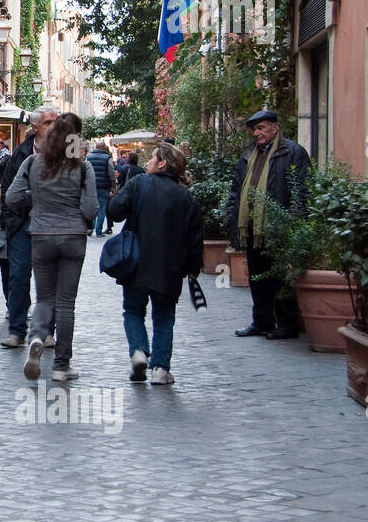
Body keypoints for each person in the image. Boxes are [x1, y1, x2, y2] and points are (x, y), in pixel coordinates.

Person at [5, 112, 97, 381]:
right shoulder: (82, 168)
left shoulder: (33, 162)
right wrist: (76, 211)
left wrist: (37, 199)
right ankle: (61, 366)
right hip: (73, 237)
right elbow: (91, 208)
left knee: (44, 298)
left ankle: (36, 338)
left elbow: (11, 197)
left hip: (41, 235)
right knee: (66, 303)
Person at [107, 142, 204, 384]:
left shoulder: (139, 184)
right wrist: (192, 269)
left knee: (133, 310)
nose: (148, 161)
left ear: (162, 163)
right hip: (169, 269)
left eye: (152, 157)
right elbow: (195, 239)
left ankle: (139, 350)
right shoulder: (186, 197)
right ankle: (160, 368)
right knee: (164, 316)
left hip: (136, 262)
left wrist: (118, 194)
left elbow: (115, 211)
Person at [225, 109, 312, 340]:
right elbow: (236, 189)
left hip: (278, 227)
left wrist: (294, 222)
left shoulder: (292, 152)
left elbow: (302, 190)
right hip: (252, 227)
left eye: (261, 128)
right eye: (254, 129)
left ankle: (286, 325)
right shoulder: (249, 154)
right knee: (257, 276)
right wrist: (232, 216)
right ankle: (262, 322)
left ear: (275, 127)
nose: (257, 133)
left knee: (280, 277)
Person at [0, 106, 59, 348]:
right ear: (35, 128)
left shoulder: (67, 152)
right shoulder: (20, 153)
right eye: (48, 123)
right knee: (18, 278)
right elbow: (7, 190)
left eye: (56, 121)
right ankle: (17, 331)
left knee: (47, 281)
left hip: (52, 226)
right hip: (22, 225)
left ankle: (46, 331)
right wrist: (7, 222)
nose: (53, 126)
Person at [86, 140, 117, 236]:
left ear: (95, 147)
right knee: (102, 208)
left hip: (91, 186)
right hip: (104, 187)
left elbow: (85, 172)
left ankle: (91, 228)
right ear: (104, 148)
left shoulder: (88, 158)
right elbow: (111, 173)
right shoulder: (107, 158)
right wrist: (113, 186)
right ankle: (98, 231)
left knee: (92, 207)